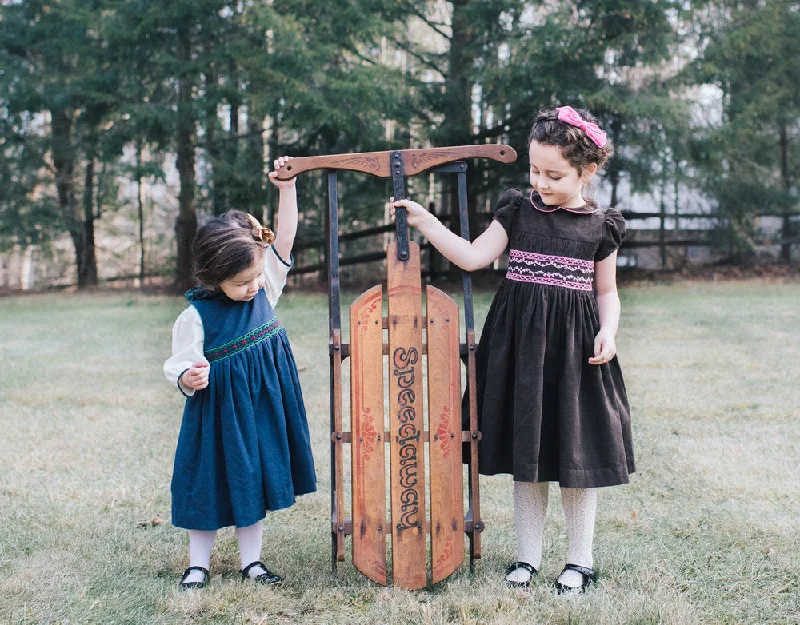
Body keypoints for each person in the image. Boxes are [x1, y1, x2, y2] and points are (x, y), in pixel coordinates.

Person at [391, 107, 634, 594]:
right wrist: (424, 220)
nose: (540, 182)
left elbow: (606, 291)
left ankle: (579, 561)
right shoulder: (518, 211)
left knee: (574, 452)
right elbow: (473, 256)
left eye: (554, 174)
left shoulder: (600, 228)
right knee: (529, 452)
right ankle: (527, 559)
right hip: (520, 350)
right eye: (533, 170)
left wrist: (608, 329)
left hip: (574, 354)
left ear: (586, 171)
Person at [163, 157, 316, 590]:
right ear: (215, 278)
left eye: (254, 277)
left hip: (262, 408)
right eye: (241, 283)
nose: (252, 288)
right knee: (208, 483)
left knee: (253, 480)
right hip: (217, 416)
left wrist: (287, 189)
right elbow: (179, 362)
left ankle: (253, 562)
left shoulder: (264, 282)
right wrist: (186, 379)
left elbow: (284, 237)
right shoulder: (195, 316)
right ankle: (198, 565)